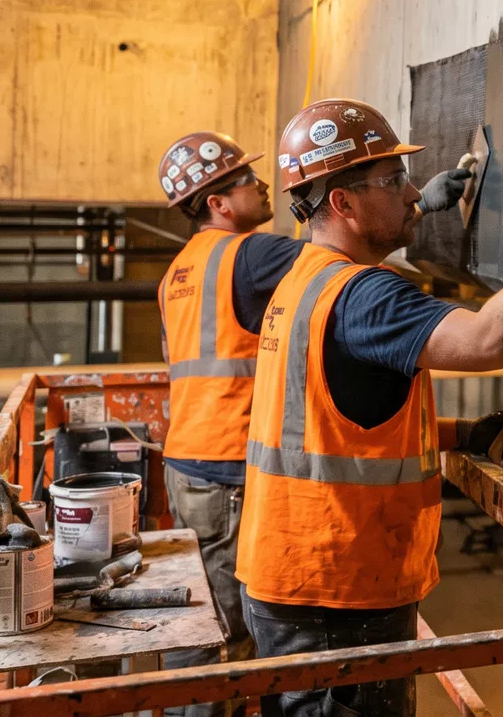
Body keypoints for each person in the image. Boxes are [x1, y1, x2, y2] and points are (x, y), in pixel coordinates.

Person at [234, 99, 503, 717]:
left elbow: (333, 423)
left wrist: (460, 432)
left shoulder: (300, 283)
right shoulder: (364, 297)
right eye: (393, 182)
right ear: (342, 203)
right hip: (338, 594)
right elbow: (490, 341)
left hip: (297, 579)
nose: (414, 193)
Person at [153, 129, 472, 716]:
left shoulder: (179, 271)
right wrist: (420, 201)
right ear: (218, 204)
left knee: (211, 627)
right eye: (247, 181)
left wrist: (411, 199)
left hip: (190, 457)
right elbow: (334, 250)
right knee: (224, 637)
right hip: (232, 464)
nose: (262, 185)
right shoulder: (248, 256)